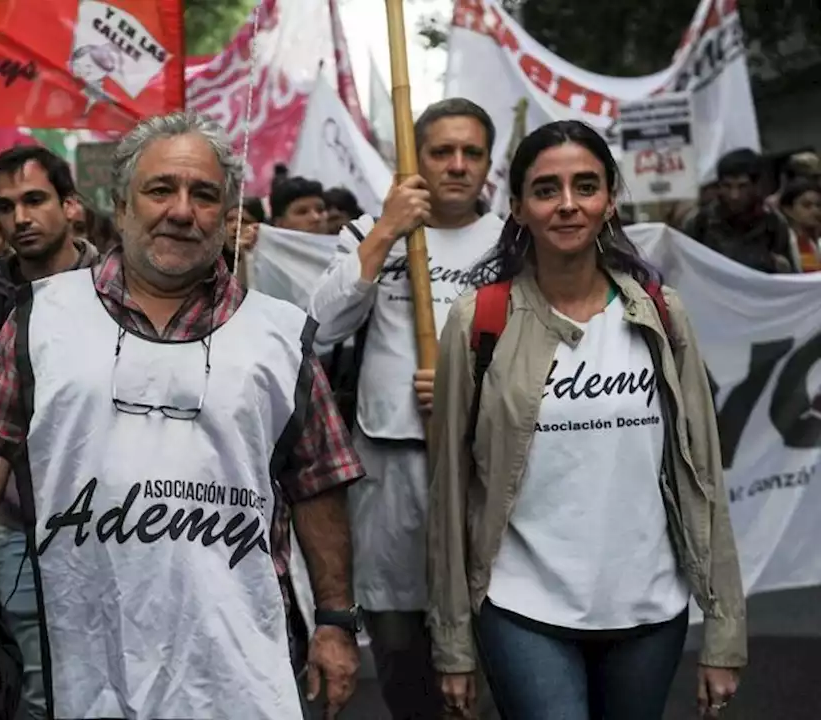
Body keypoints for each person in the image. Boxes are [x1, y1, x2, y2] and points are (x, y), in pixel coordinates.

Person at [0, 111, 364, 719]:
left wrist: (334, 620)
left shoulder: (280, 337)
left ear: (228, 217)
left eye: (203, 194)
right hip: (90, 656)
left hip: (239, 668)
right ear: (120, 207)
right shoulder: (42, 318)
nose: (181, 210)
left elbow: (318, 482)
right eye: (160, 190)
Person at [427, 120, 746, 719]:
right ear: (517, 207)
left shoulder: (660, 313)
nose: (568, 204)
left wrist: (725, 632)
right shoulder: (480, 320)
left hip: (649, 610)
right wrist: (454, 646)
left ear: (610, 199)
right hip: (523, 607)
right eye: (546, 189)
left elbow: (703, 477)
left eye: (585, 186)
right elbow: (448, 490)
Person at [308, 97, 503, 720]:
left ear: (489, 164)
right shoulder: (371, 232)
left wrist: (464, 386)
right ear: (414, 158)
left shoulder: (512, 243)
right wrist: (388, 229)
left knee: (486, 633)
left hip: (483, 466)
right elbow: (323, 326)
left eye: (471, 152)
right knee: (399, 642)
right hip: (391, 466)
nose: (456, 165)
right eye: (441, 151)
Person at [0, 145, 100, 720]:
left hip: (113, 525)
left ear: (71, 205)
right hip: (18, 532)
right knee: (36, 691)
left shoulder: (119, 290)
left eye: (35, 200)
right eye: (6, 206)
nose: (20, 218)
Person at [683, 148, 793, 273]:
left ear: (756, 186)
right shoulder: (700, 222)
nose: (734, 195)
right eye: (727, 186)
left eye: (742, 186)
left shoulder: (774, 224)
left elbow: (788, 277)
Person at [780, 179, 821, 273]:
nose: (816, 212)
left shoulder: (816, 243)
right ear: (788, 210)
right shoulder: (782, 243)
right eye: (807, 205)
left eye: (819, 206)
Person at [223, 197, 266, 286]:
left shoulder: (266, 267)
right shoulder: (211, 265)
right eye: (229, 220)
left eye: (244, 221)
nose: (235, 227)